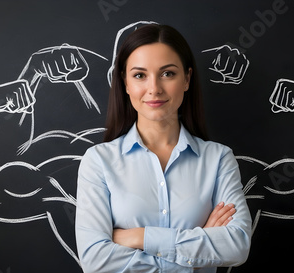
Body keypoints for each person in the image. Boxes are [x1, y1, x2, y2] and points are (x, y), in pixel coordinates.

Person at [75, 24, 252, 273]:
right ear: (125, 82)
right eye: (139, 75)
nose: (154, 88)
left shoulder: (218, 159)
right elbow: (95, 260)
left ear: (187, 79)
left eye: (167, 74)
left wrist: (139, 237)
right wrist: (199, 247)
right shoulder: (98, 161)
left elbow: (236, 245)